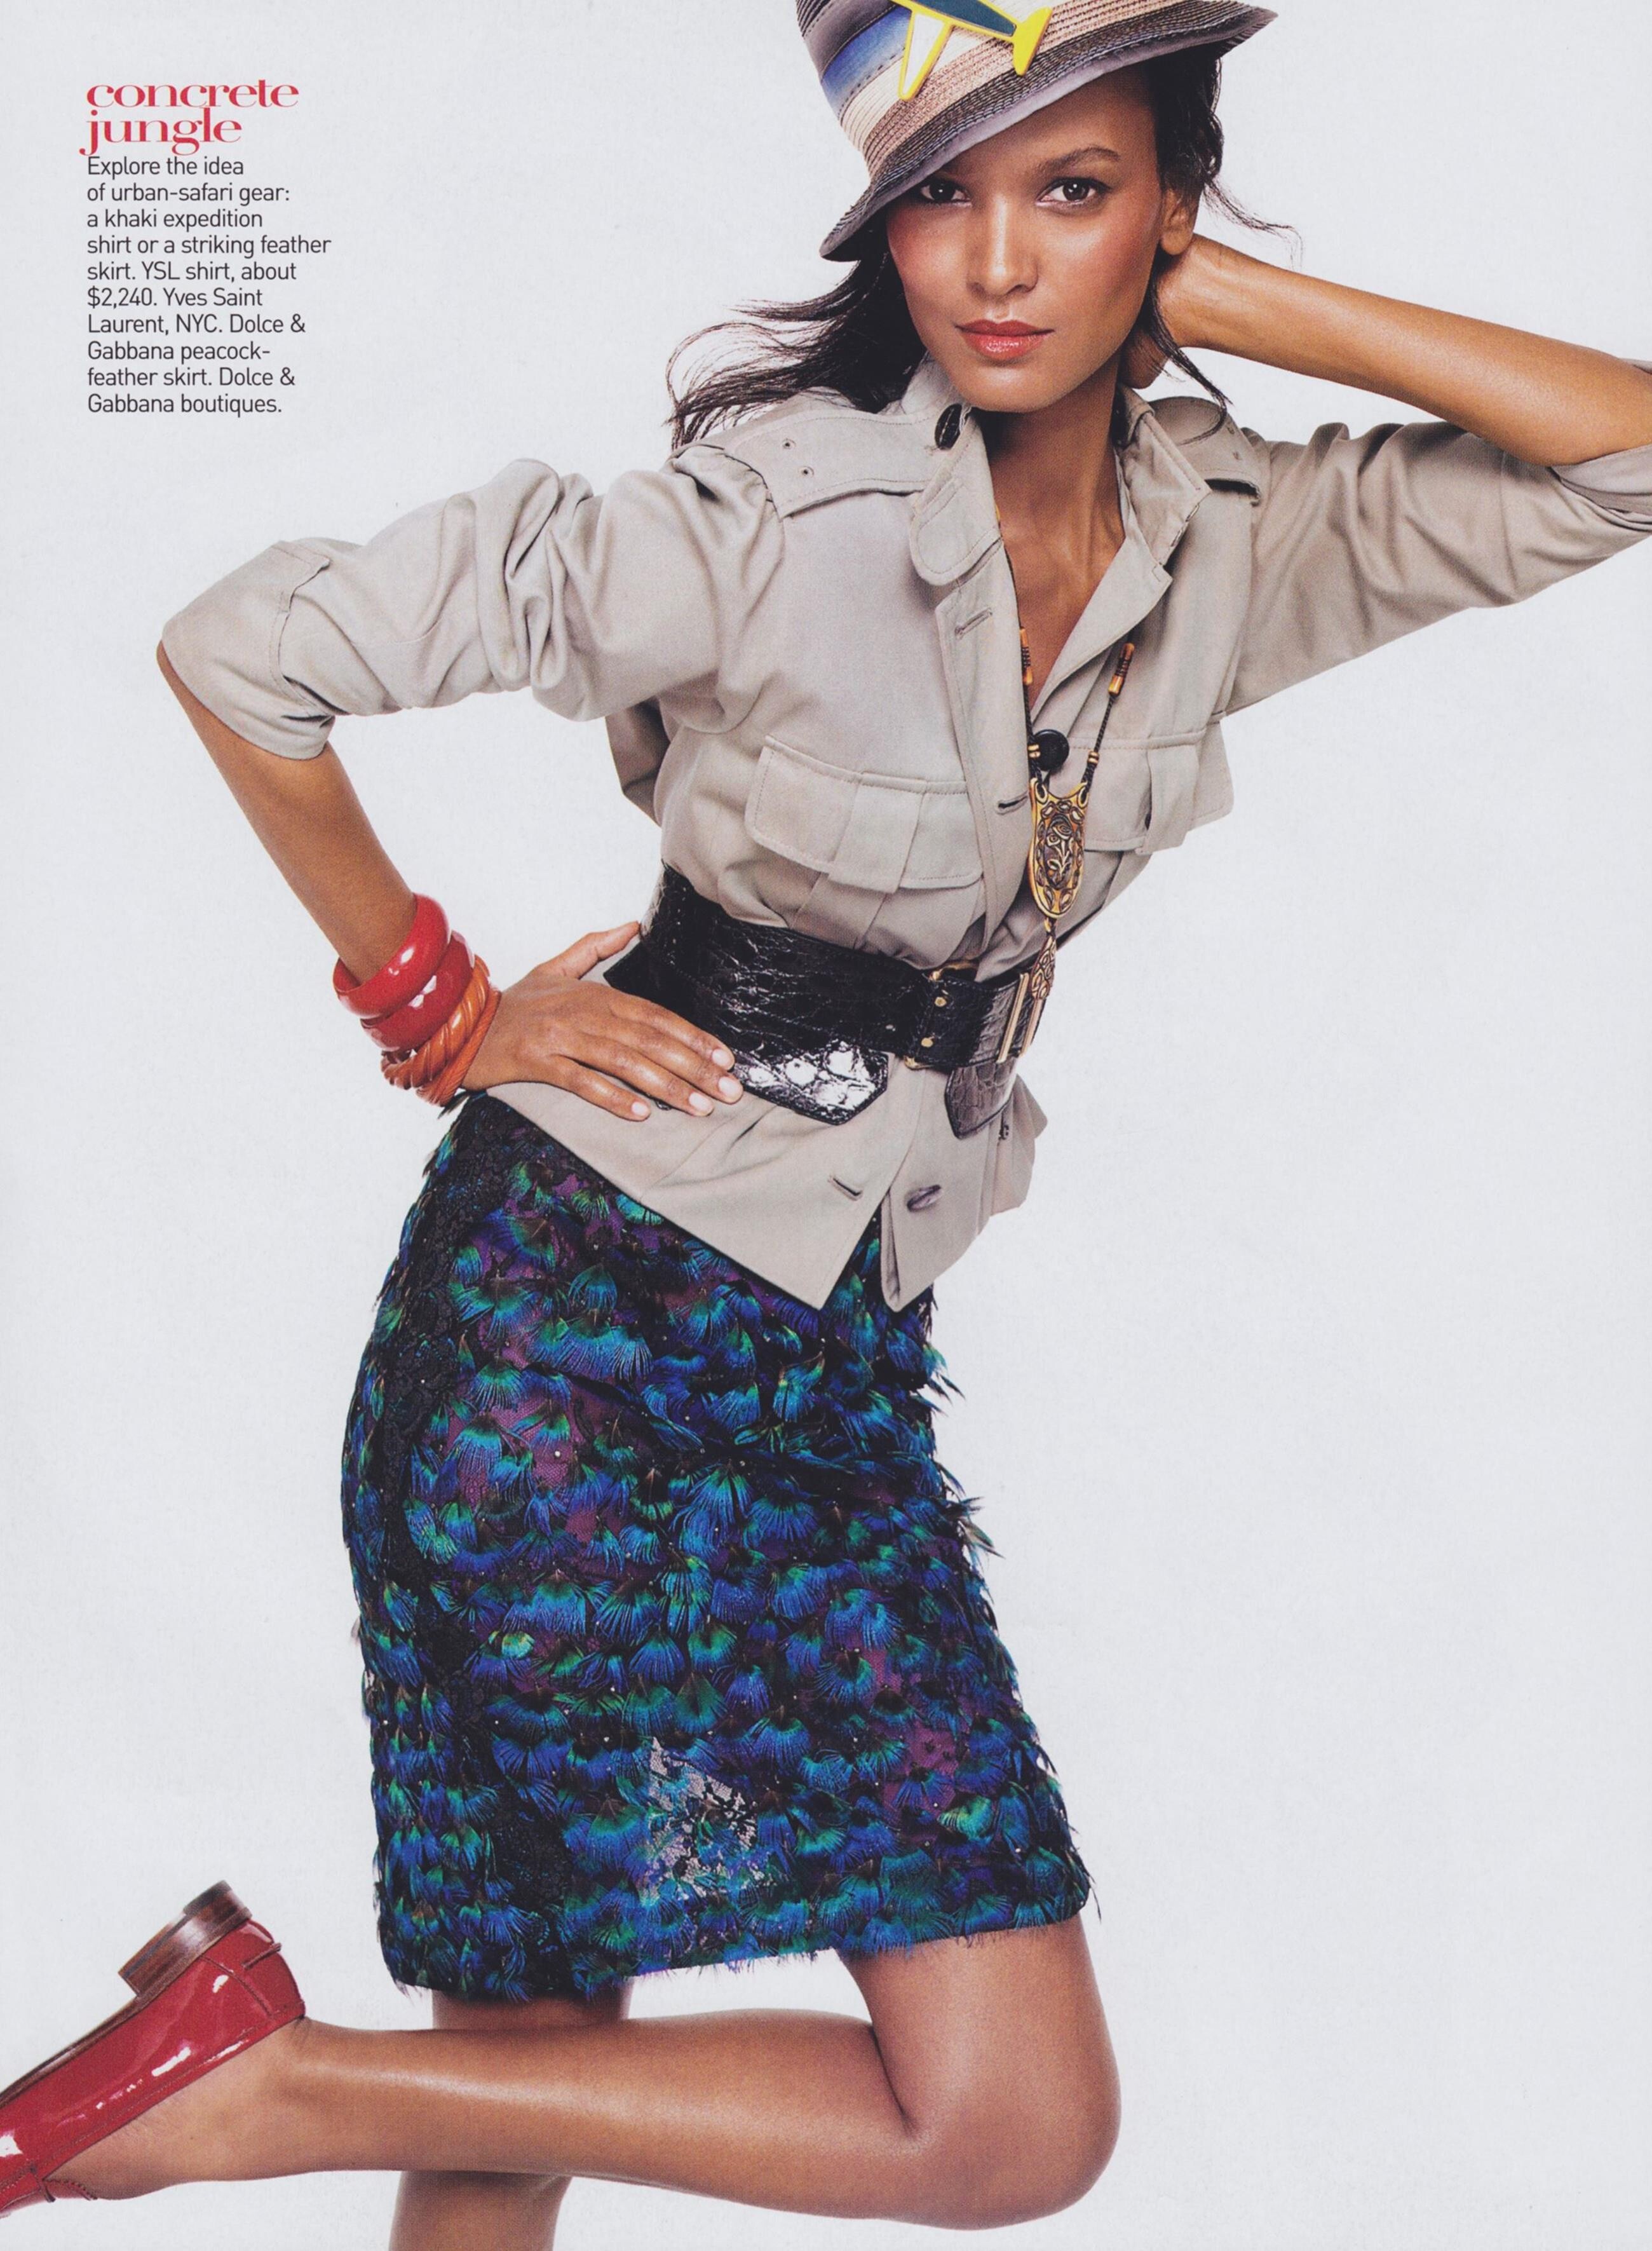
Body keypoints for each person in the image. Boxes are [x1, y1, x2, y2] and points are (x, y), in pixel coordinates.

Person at [5, 0, 1650, 2240]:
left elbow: (1625, 457)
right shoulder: (776, 520)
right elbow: (243, 653)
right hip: (561, 1357)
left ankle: (261, 2079)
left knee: (835, 2111)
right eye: (941, 200)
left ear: (1171, 209)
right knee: (563, 2084)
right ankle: (274, 2093)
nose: (1000, 262)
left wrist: (1249, 306)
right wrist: (439, 1008)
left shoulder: (1230, 541)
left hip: (828, 1378)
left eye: (1076, 191)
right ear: (881, 234)